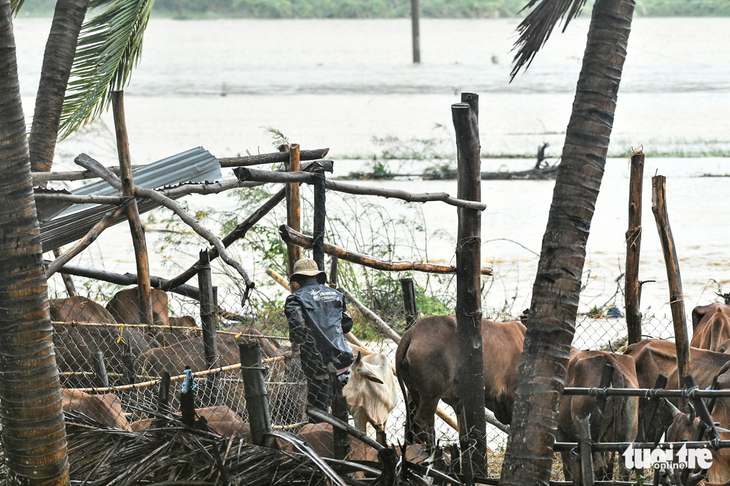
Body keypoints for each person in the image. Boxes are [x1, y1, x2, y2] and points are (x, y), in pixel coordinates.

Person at [285, 258, 354, 412]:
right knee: (341, 410)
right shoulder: (336, 295)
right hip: (344, 362)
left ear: (297, 279)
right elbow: (347, 325)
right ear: (316, 276)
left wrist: (298, 345)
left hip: (318, 365)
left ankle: (320, 429)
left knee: (319, 412)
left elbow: (298, 331)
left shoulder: (294, 299)